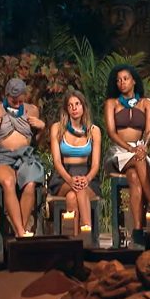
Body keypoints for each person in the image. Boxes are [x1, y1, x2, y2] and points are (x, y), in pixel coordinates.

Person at [104, 64, 150, 245]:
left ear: (134, 81)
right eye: (118, 80)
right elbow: (111, 132)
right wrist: (130, 149)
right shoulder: (112, 103)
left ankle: (137, 230)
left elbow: (149, 130)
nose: (122, 82)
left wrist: (143, 146)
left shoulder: (146, 103)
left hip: (139, 150)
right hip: (119, 152)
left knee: (135, 177)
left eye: (125, 79)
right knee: (138, 159)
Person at [0, 78, 45, 237]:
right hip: (3, 158)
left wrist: (41, 129)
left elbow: (36, 142)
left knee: (30, 183)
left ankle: (19, 233)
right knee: (8, 181)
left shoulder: (32, 110)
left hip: (26, 157)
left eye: (20, 101)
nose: (18, 104)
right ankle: (21, 232)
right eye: (14, 101)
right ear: (6, 96)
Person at [49, 90, 101, 234]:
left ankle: (74, 241)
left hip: (87, 176)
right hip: (63, 177)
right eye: (70, 105)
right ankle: (86, 234)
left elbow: (95, 164)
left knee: (73, 196)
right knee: (79, 189)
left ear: (83, 106)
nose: (74, 108)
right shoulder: (57, 128)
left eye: (77, 104)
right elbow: (57, 162)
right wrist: (70, 180)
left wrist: (87, 178)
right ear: (66, 109)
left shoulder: (94, 131)